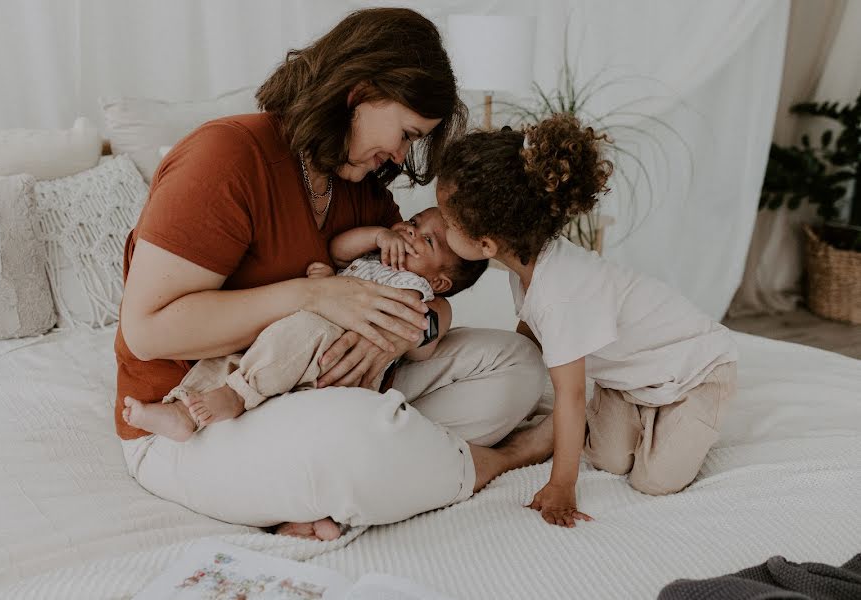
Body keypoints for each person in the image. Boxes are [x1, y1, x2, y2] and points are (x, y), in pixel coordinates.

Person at [115, 7, 552, 542]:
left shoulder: (360, 182)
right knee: (359, 436)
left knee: (520, 367)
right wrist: (318, 294)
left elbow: (431, 294)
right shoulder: (226, 157)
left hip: (326, 389)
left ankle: (360, 472)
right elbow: (148, 330)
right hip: (202, 415)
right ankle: (494, 461)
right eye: (407, 133)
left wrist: (411, 327)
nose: (400, 154)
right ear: (361, 91)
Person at [435, 113, 739, 528]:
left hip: (694, 369)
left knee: (655, 480)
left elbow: (571, 395)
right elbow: (530, 334)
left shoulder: (560, 294)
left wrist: (562, 484)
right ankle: (643, 410)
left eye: (447, 223)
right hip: (633, 380)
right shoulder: (529, 267)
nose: (438, 226)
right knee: (610, 459)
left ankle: (682, 413)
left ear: (487, 244)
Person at [122, 207, 488, 441]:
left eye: (426, 240)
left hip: (333, 355)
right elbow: (338, 249)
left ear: (440, 283)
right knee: (237, 351)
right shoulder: (376, 255)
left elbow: (423, 338)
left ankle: (237, 395)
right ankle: (183, 407)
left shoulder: (416, 288)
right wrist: (371, 241)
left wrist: (410, 323)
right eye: (413, 222)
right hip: (295, 343)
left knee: (305, 413)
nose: (409, 232)